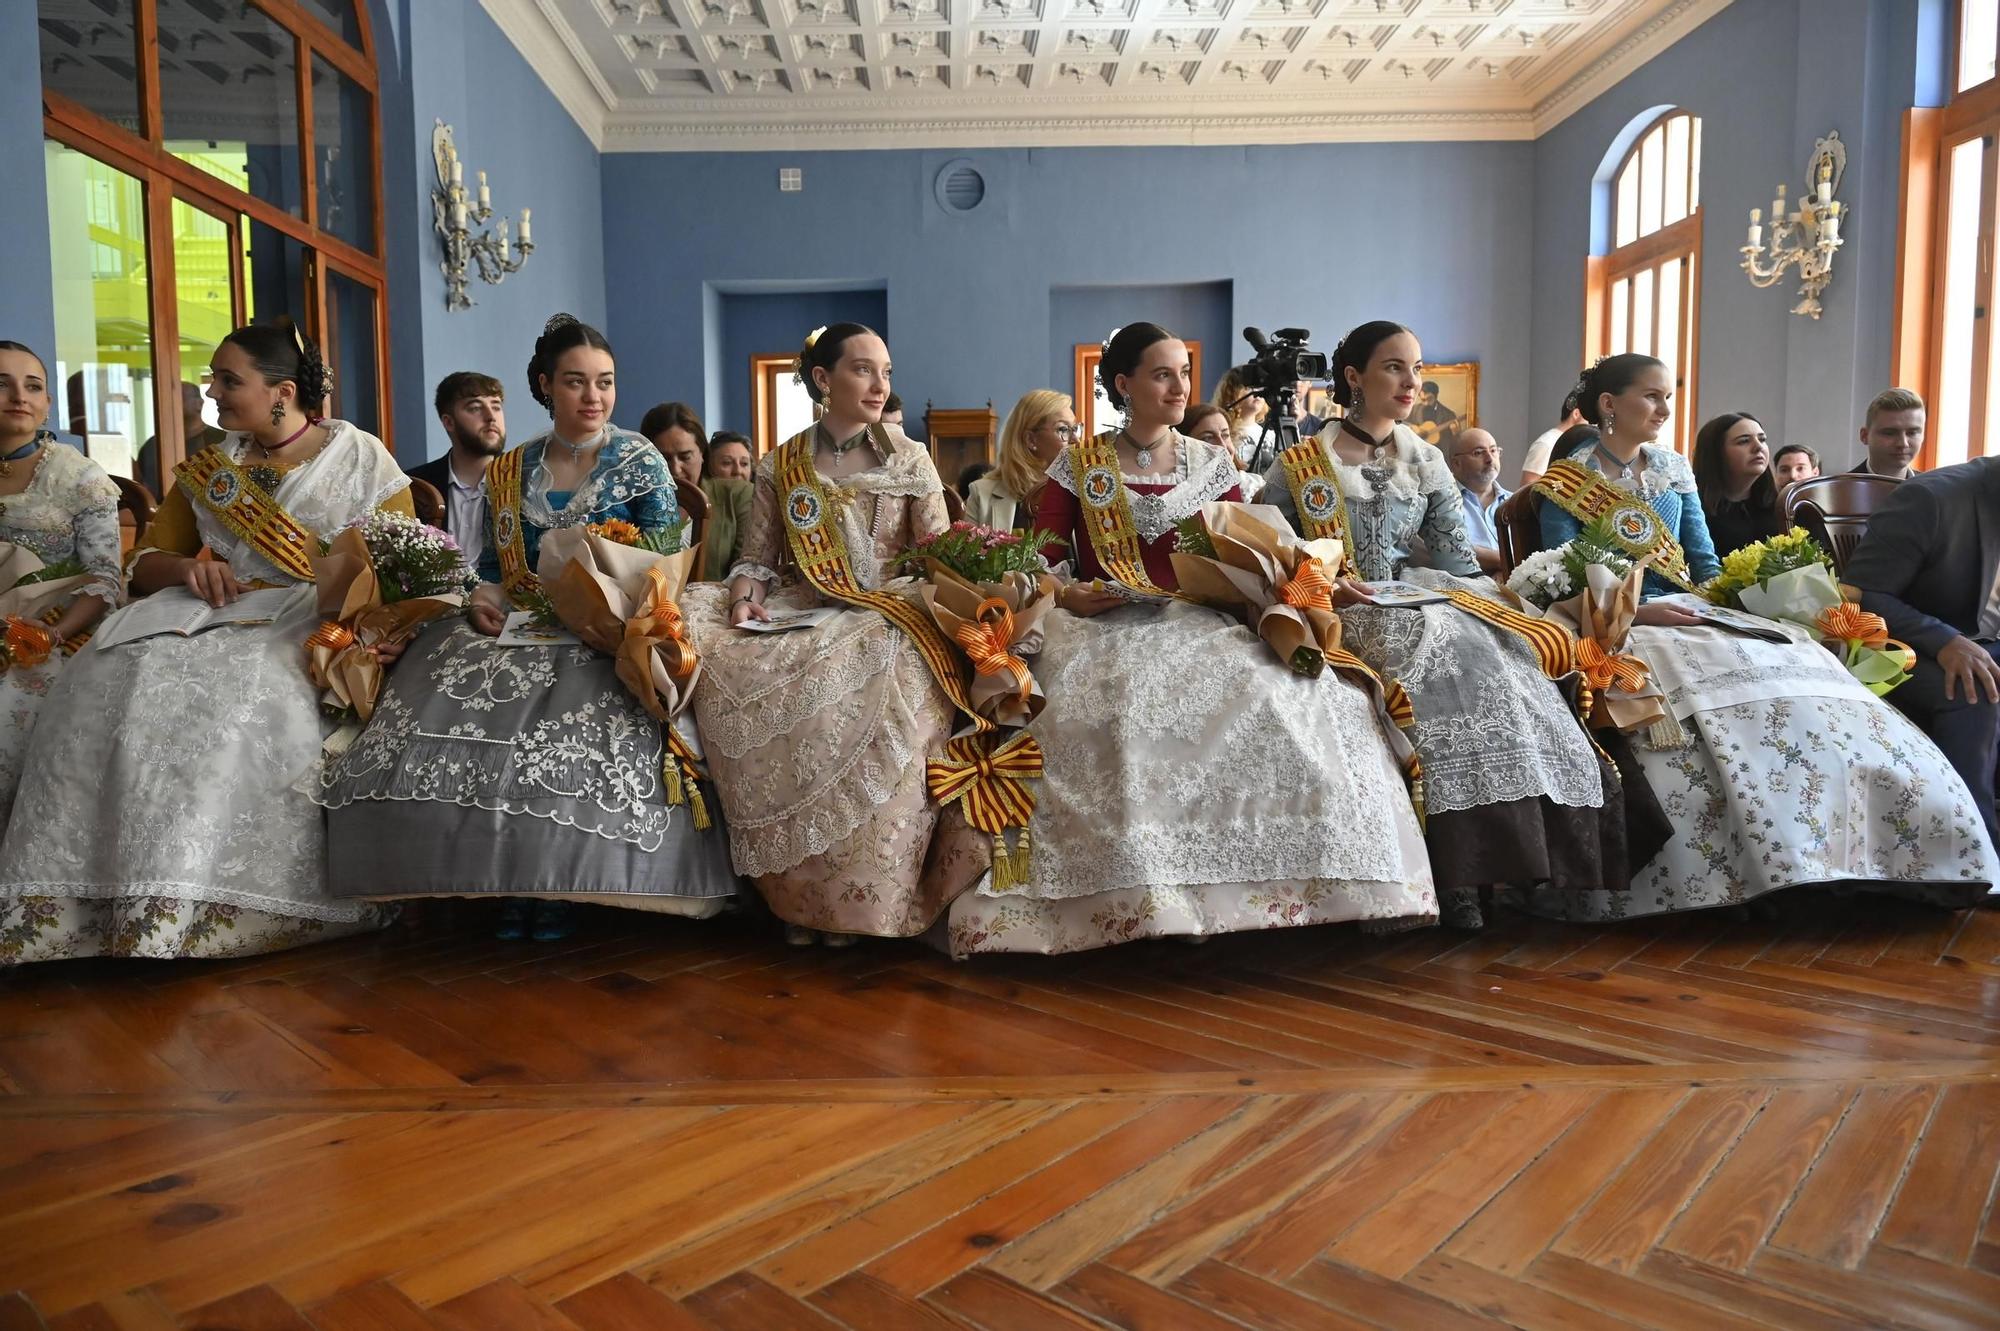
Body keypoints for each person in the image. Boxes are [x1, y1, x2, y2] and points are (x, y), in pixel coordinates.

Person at [942, 321, 1436, 954]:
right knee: (1122, 713)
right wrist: (1066, 593)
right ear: (1123, 385)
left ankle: (1283, 886)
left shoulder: (1210, 463)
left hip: (1201, 620)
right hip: (1102, 627)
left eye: (1183, 373)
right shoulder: (1079, 464)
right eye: (1161, 374)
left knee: (1293, 700)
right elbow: (1044, 557)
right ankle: (1143, 895)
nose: (1179, 387)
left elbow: (1251, 543)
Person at [1520, 354, 1994, 921]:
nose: (1665, 409)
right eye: (1652, 397)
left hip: (1693, 610)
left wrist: (1737, 604)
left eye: (1668, 396)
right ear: (1608, 405)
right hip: (1623, 625)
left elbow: (1702, 561)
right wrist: (1643, 616)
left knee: (1797, 660)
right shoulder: (1567, 480)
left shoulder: (1672, 468)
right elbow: (1573, 570)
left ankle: (1852, 849)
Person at [315, 315, 738, 941]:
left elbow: (663, 556)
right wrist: (481, 598)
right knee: (444, 676)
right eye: (575, 382)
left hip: (611, 626)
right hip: (520, 620)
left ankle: (560, 887)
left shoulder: (641, 458)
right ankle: (484, 878)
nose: (593, 398)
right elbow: (491, 564)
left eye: (605, 382)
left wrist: (599, 594)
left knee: (572, 704)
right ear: (545, 386)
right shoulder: (511, 467)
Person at [0, 317, 410, 962]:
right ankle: (86, 902)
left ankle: (209, 901)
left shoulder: (359, 457)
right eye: (213, 378)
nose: (211, 392)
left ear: (281, 390)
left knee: (241, 695)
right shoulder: (210, 468)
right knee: (107, 679)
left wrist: (368, 627)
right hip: (195, 610)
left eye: (227, 379)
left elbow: (401, 565)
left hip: (311, 617)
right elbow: (144, 564)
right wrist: (191, 567)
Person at [1262, 322, 1638, 930]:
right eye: (1393, 367)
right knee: (1434, 663)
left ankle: (1509, 866)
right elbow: (1268, 553)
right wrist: (1321, 580)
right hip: (1335, 609)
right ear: (1354, 377)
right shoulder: (1302, 463)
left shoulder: (1427, 458)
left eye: (1416, 367)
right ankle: (1448, 873)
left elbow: (1457, 561)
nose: (1412, 381)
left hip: (1415, 597)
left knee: (1502, 658)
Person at [683, 323, 986, 945]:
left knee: (878, 678)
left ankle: (860, 902)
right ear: (823, 380)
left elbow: (939, 557)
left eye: (887, 372)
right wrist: (745, 599)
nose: (880, 385)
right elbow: (758, 559)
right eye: (863, 370)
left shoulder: (910, 457)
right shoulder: (781, 463)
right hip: (804, 608)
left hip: (889, 612)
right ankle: (797, 902)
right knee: (732, 660)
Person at [1844, 456, 2000, 849]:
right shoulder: (1931, 499)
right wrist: (1944, 640)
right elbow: (1860, 593)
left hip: (1985, 638)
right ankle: (1974, 851)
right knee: (1973, 688)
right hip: (1904, 644)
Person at [0, 342, 122, 824]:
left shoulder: (78, 476)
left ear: (47, 403)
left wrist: (49, 635)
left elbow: (104, 578)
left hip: (61, 629)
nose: (19, 396)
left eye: (33, 386)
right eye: (2, 384)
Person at [408, 370, 505, 569]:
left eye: (496, 407)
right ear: (448, 422)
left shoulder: (525, 480)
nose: (491, 417)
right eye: (475, 408)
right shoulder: (414, 487)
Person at [644, 402, 748, 581]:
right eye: (663, 459)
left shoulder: (736, 495)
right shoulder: (632, 501)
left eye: (685, 457)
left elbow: (747, 569)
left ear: (702, 453)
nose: (675, 469)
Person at [966, 389, 1073, 531]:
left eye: (1076, 428)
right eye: (1063, 429)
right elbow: (968, 552)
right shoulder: (981, 494)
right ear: (1030, 439)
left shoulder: (1080, 492)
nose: (1076, 439)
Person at [1691, 411, 1781, 557]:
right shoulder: (1693, 509)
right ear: (1716, 453)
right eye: (1744, 441)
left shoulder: (1782, 505)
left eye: (1762, 439)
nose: (1758, 447)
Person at [135, 381, 225, 497]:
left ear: (199, 404)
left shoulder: (222, 441)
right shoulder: (153, 445)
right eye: (166, 399)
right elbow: (142, 487)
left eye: (178, 398)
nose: (170, 403)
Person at [1446, 427, 1509, 574]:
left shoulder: (1516, 502)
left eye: (1493, 450)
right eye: (1479, 453)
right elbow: (1453, 547)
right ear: (1456, 463)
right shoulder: (1443, 503)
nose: (1489, 459)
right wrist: (1506, 565)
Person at [1182, 400, 1263, 499]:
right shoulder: (1175, 494)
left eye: (1225, 435)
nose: (1223, 446)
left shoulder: (1256, 487)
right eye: (1208, 438)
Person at [1854, 388, 1925, 479]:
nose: (1903, 443)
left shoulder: (1934, 490)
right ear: (1865, 436)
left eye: (1912, 433)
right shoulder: (1838, 490)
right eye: (1889, 433)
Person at [1518, 389, 1584, 487]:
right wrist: (1565, 485)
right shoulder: (1546, 444)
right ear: (1576, 414)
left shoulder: (1579, 445)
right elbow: (1527, 488)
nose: (1594, 424)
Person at [1406, 378, 1460, 445]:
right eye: (1423, 400)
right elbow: (1400, 423)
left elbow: (1453, 444)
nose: (1426, 403)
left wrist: (1455, 433)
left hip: (1440, 451)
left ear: (1436, 396)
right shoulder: (1413, 410)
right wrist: (1413, 427)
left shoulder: (1448, 414)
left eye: (1430, 399)